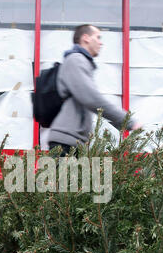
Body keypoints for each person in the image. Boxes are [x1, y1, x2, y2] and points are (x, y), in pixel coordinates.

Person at [47, 24, 141, 155]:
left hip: (73, 141)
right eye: (98, 37)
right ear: (86, 38)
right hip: (65, 143)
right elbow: (91, 98)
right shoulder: (76, 60)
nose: (101, 43)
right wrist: (128, 121)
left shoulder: (80, 61)